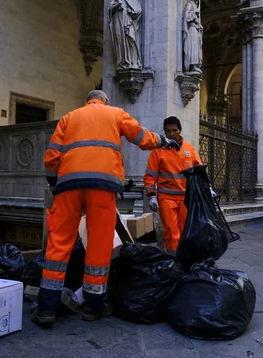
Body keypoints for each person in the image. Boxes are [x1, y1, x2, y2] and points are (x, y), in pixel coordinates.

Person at [34, 90, 180, 327]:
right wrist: (163, 141)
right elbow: (142, 137)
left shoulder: (69, 117)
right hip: (102, 185)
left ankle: (46, 308)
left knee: (59, 241)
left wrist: (55, 184)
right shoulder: (115, 113)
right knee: (99, 244)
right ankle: (94, 305)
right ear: (105, 101)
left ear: (87, 101)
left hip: (68, 185)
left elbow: (51, 157)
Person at [144, 116, 213, 255]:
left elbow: (199, 170)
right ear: (164, 131)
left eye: (174, 130)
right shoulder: (158, 151)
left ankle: (185, 257)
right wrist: (151, 196)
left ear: (180, 130)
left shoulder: (189, 149)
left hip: (186, 199)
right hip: (166, 198)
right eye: (168, 131)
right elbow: (150, 175)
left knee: (186, 229)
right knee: (171, 231)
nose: (171, 134)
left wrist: (209, 188)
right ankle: (174, 258)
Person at [108, 0, 142, 70]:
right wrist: (116, 5)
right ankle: (122, 61)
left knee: (130, 40)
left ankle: (133, 61)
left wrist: (132, 11)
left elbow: (138, 9)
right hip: (118, 21)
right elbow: (110, 9)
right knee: (120, 40)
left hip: (129, 22)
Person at [182, 0, 203, 73]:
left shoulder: (195, 5)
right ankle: (192, 65)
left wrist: (199, 25)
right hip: (191, 30)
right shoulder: (190, 4)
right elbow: (186, 18)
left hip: (195, 29)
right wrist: (195, 12)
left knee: (196, 47)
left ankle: (195, 65)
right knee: (193, 47)